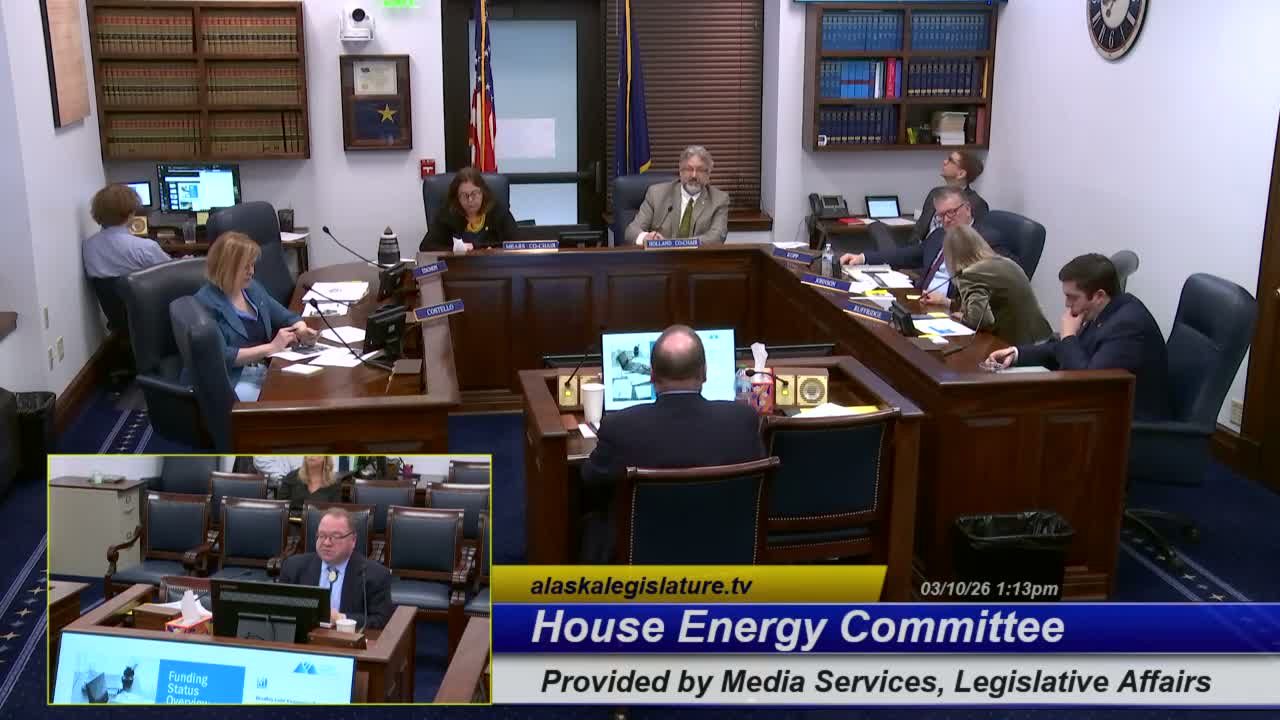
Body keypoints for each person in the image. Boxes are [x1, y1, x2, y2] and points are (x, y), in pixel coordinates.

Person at [579, 324, 766, 562]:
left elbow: (589, 477)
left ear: (651, 375)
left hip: (644, 557)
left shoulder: (620, 426)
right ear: (705, 373)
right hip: (726, 552)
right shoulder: (742, 420)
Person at [987, 253, 1171, 421]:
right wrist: (1016, 354)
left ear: (1099, 296)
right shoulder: (1105, 310)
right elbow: (1063, 350)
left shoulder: (1126, 326)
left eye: (1072, 297)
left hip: (1132, 427)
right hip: (1102, 412)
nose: (1067, 304)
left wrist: (1068, 336)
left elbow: (1086, 385)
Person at [194, 231, 318, 402]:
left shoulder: (252, 288)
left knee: (307, 388)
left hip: (263, 368)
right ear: (227, 267)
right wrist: (271, 348)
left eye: (252, 265)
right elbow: (223, 356)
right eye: (245, 267)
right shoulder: (204, 302)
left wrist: (302, 331)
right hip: (232, 381)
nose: (251, 272)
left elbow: (286, 317)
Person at [841, 186, 1009, 304]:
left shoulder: (987, 240)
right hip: (921, 301)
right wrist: (863, 257)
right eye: (941, 216)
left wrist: (948, 302)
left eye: (951, 212)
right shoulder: (939, 235)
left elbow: (997, 292)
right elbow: (906, 255)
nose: (946, 220)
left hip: (950, 311)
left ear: (967, 208)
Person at [279, 508, 393, 630]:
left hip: (346, 639)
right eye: (322, 535)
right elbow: (280, 609)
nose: (327, 543)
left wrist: (341, 618)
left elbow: (381, 620)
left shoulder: (375, 575)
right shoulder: (293, 567)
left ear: (353, 540)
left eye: (335, 537)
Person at [943, 225, 1051, 346]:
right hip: (1042, 339)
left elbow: (982, 320)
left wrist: (963, 318)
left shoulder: (970, 274)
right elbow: (986, 303)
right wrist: (952, 304)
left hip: (1015, 345)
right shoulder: (1006, 262)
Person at [624, 146, 730, 246]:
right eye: (689, 169)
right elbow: (631, 231)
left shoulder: (719, 200)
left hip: (698, 257)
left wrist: (672, 244)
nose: (694, 175)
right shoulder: (656, 194)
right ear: (680, 171)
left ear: (708, 174)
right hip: (660, 257)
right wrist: (645, 237)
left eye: (700, 170)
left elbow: (717, 237)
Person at [82, 183, 171, 279]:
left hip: (104, 289)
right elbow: (172, 272)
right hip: (148, 288)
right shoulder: (146, 247)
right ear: (130, 215)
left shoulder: (88, 245)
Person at [420, 167, 519, 251]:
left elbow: (517, 244)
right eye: (464, 195)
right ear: (457, 197)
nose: (470, 200)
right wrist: (456, 249)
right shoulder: (448, 213)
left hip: (492, 265)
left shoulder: (498, 210)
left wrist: (477, 247)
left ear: (483, 192)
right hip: (458, 266)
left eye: (474, 193)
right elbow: (426, 247)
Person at [908, 150, 991, 247]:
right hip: (921, 249)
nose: (944, 162)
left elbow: (973, 242)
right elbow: (919, 230)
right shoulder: (935, 193)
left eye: (950, 160)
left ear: (961, 174)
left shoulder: (977, 203)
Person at [277, 455, 342, 512]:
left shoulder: (334, 483)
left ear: (326, 457)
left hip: (321, 521)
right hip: (292, 521)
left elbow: (335, 513)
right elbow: (280, 507)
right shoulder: (292, 477)